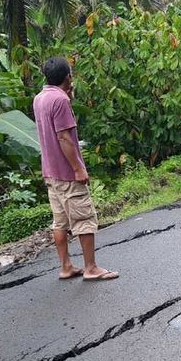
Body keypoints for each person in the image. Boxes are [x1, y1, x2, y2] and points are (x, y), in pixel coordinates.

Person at [33, 57, 119, 281]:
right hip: (66, 172)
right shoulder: (59, 100)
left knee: (59, 221)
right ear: (68, 76)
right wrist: (78, 169)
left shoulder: (40, 98)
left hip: (50, 172)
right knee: (83, 218)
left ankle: (66, 266)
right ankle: (91, 267)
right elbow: (64, 137)